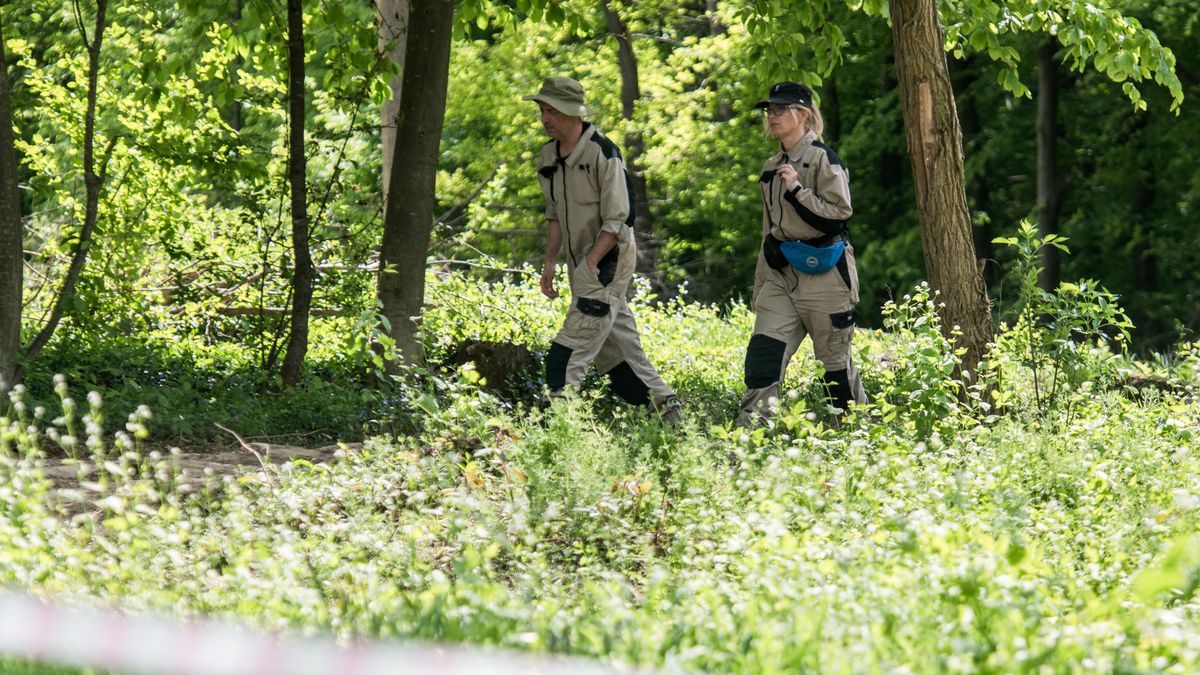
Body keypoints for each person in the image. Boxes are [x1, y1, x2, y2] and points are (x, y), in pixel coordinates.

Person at [524, 76, 682, 423]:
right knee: (619, 358)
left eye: (552, 110)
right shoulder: (548, 155)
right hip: (580, 263)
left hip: (607, 259)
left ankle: (556, 433)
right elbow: (553, 214)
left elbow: (617, 221)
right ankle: (672, 417)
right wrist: (550, 263)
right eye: (542, 110)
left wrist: (591, 264)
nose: (545, 118)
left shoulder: (603, 153)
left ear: (572, 112)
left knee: (567, 355)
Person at [739, 81, 867, 425]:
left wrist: (796, 188)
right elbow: (769, 231)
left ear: (803, 115)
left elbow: (840, 215)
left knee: (835, 367)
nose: (772, 116)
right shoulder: (770, 167)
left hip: (826, 276)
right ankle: (750, 439)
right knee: (763, 358)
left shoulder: (824, 160)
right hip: (781, 275)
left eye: (780, 109)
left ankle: (855, 437)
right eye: (769, 110)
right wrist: (761, 285)